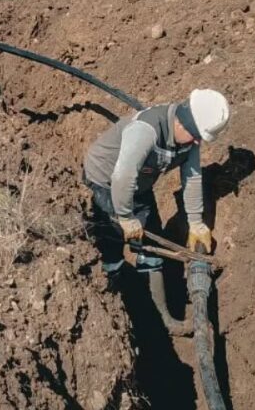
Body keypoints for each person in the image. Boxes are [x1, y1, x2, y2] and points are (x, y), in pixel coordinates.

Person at [83, 88, 230, 335]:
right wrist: (126, 217)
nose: (197, 143)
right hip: (106, 180)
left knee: (150, 240)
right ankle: (113, 314)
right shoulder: (146, 130)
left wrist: (195, 222)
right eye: (195, 137)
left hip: (139, 183)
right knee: (112, 242)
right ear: (182, 122)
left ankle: (163, 320)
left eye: (200, 139)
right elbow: (123, 175)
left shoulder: (189, 138)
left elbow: (192, 178)